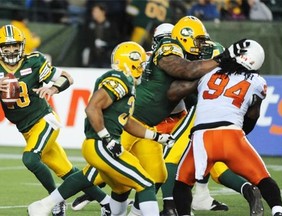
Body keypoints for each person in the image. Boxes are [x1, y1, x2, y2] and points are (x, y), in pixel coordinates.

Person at [70, 16, 252, 216]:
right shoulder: (164, 56)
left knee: (160, 169)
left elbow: (189, 89)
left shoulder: (180, 55)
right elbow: (179, 85)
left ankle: (183, 201)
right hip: (145, 119)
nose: (167, 44)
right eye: (165, 40)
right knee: (115, 163)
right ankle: (70, 196)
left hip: (166, 119)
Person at [27, 41, 175, 216]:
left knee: (118, 189)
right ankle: (43, 205)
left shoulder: (128, 84)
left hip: (102, 145)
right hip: (101, 144)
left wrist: (156, 137)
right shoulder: (120, 78)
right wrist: (107, 139)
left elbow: (126, 122)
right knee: (146, 184)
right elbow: (92, 108)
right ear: (130, 61)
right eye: (141, 64)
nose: (143, 68)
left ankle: (43, 205)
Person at [0, 24, 110, 216]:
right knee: (67, 172)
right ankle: (107, 202)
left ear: (22, 46)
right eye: (6, 47)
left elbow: (67, 77)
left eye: (15, 46)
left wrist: (52, 89)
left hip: (44, 120)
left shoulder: (33, 61)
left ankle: (54, 200)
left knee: (31, 159)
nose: (10, 51)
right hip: (26, 129)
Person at [171, 39, 282, 216]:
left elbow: (175, 92)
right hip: (231, 135)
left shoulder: (208, 73)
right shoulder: (256, 81)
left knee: (182, 183)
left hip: (202, 138)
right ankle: (279, 211)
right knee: (263, 178)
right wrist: (241, 135)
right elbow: (253, 116)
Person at [81, 3, 120, 68]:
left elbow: (116, 40)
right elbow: (86, 39)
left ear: (103, 12)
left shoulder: (111, 25)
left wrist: (106, 44)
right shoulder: (90, 25)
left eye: (96, 11)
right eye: (93, 11)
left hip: (107, 57)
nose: (94, 13)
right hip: (93, 58)